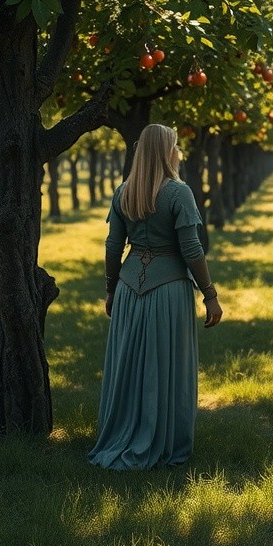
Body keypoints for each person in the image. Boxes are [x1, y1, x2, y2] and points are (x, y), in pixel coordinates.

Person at [88, 124, 223, 470]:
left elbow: (113, 247)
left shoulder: (123, 193)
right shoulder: (179, 193)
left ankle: (124, 432)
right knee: (165, 365)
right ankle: (163, 440)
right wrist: (209, 294)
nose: (178, 152)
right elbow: (192, 249)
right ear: (167, 152)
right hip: (169, 291)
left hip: (129, 290)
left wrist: (110, 288)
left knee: (130, 365)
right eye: (175, 146)